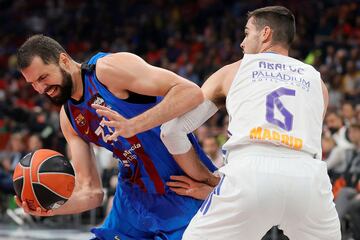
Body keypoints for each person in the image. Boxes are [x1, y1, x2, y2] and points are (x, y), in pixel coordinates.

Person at [159, 6, 341, 239]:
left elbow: (172, 130)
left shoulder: (234, 71)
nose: (243, 44)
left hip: (250, 173)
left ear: (265, 34)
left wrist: (207, 176)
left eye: (246, 34)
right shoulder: (318, 82)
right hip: (308, 177)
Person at [16, 34, 218, 240]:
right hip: (132, 203)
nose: (41, 89)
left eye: (43, 78)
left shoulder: (107, 70)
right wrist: (50, 209)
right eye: (32, 84)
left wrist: (134, 125)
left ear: (64, 60)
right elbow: (92, 193)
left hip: (181, 191)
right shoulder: (68, 118)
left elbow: (190, 92)